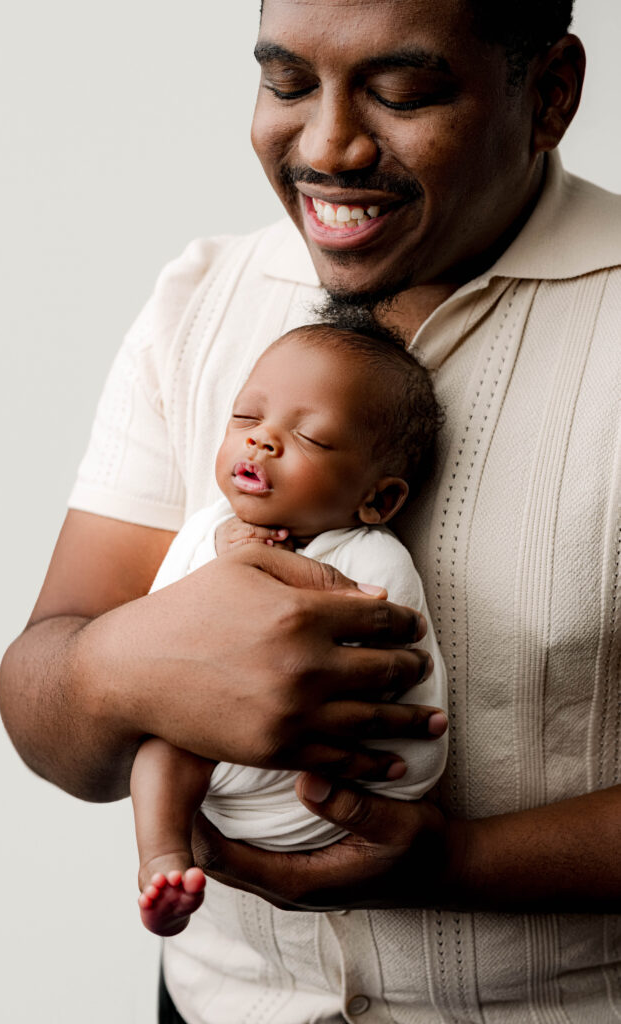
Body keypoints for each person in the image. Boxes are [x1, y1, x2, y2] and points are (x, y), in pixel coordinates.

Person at [0, 1, 621, 1020]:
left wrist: (455, 863)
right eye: (285, 83)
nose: (325, 142)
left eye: (401, 90)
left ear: (548, 94)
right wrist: (122, 669)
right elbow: (42, 701)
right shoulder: (201, 297)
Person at [131, 322, 448, 938]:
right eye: (246, 417)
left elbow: (340, 656)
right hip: (220, 796)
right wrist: (225, 558)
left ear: (378, 501)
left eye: (309, 437)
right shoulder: (207, 530)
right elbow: (153, 639)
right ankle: (162, 856)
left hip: (328, 796)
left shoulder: (372, 558)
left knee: (177, 735)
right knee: (164, 743)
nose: (263, 439)